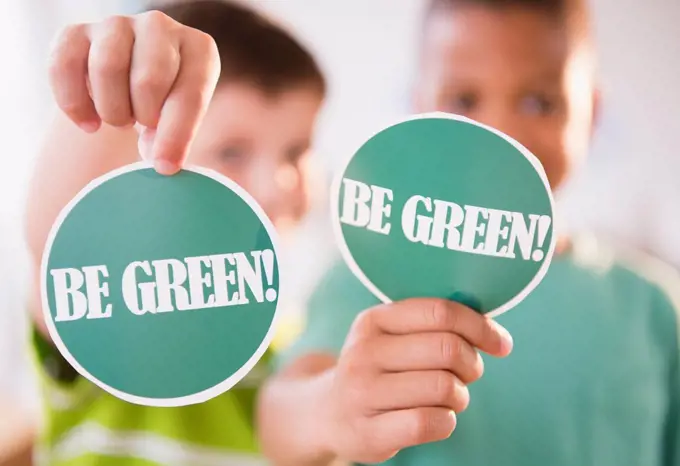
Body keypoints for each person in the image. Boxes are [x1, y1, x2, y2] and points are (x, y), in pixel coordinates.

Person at [257, 0, 680, 465]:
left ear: (592, 114)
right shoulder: (370, 278)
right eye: (463, 99)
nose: (500, 131)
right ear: (421, 108)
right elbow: (280, 418)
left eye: (539, 102)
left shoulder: (654, 307)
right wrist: (328, 411)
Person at [24, 1, 325, 464]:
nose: (276, 186)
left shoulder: (294, 344)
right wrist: (109, 92)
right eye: (231, 152)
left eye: (296, 151)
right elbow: (56, 247)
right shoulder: (121, 311)